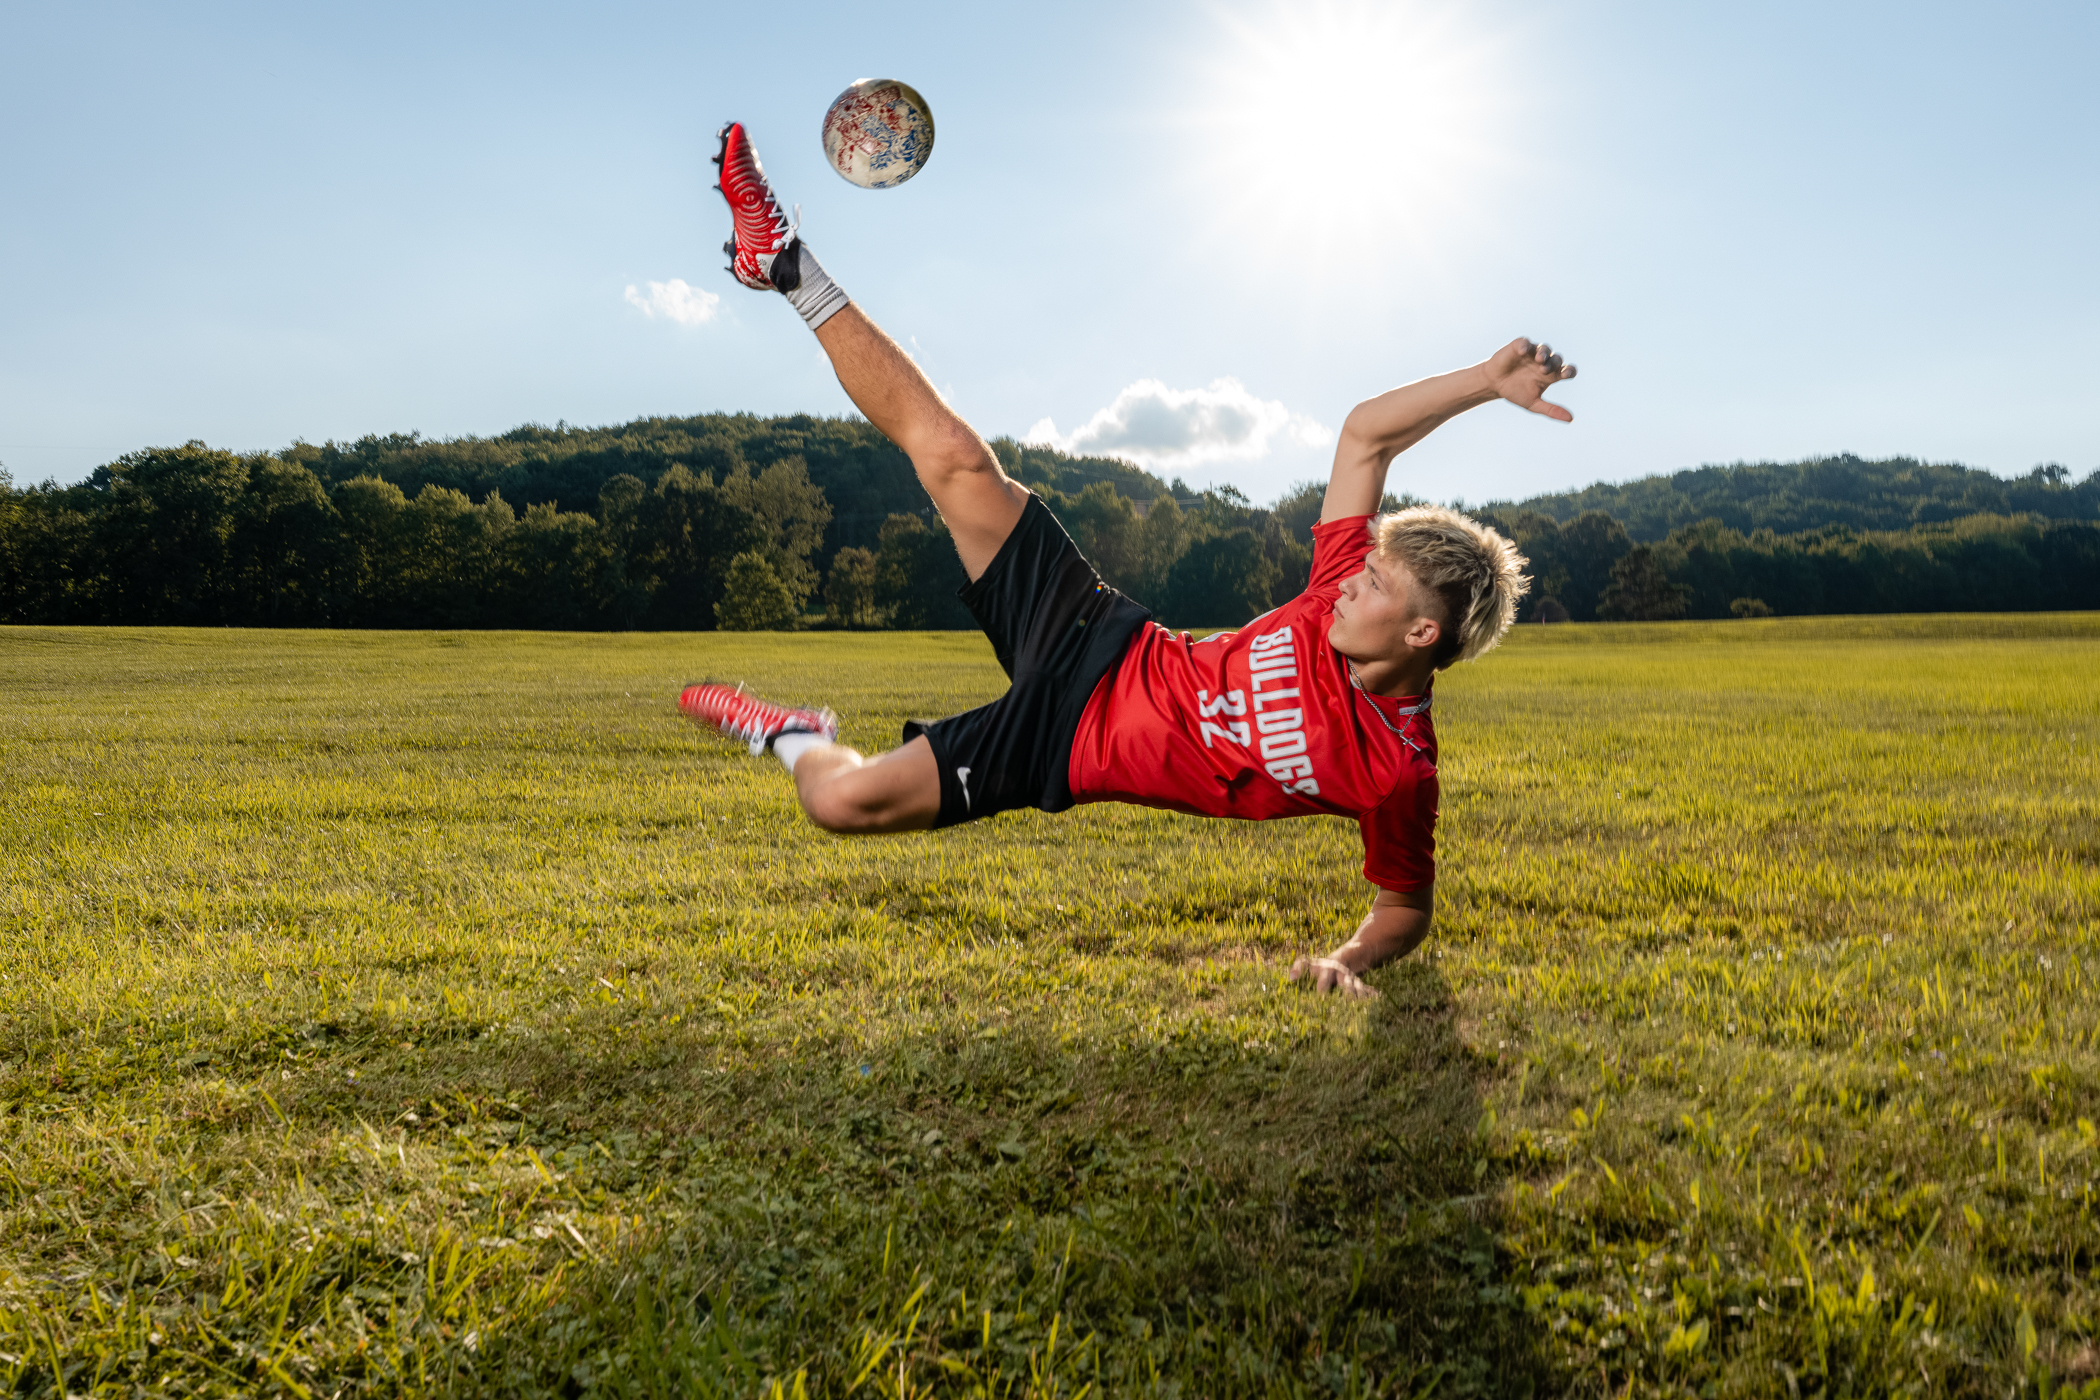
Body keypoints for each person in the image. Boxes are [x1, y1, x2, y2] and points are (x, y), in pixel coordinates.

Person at [681, 123, 1576, 997]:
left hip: (1062, 746)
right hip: (1094, 628)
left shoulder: (1398, 769)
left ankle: (792, 734)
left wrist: (1348, 962)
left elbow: (1404, 906)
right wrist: (1483, 383)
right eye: (1363, 566)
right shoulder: (1333, 596)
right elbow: (1364, 436)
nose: (1351, 581)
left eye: (1377, 583)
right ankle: (786, 262)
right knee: (954, 457)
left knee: (845, 806)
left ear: (1424, 630)